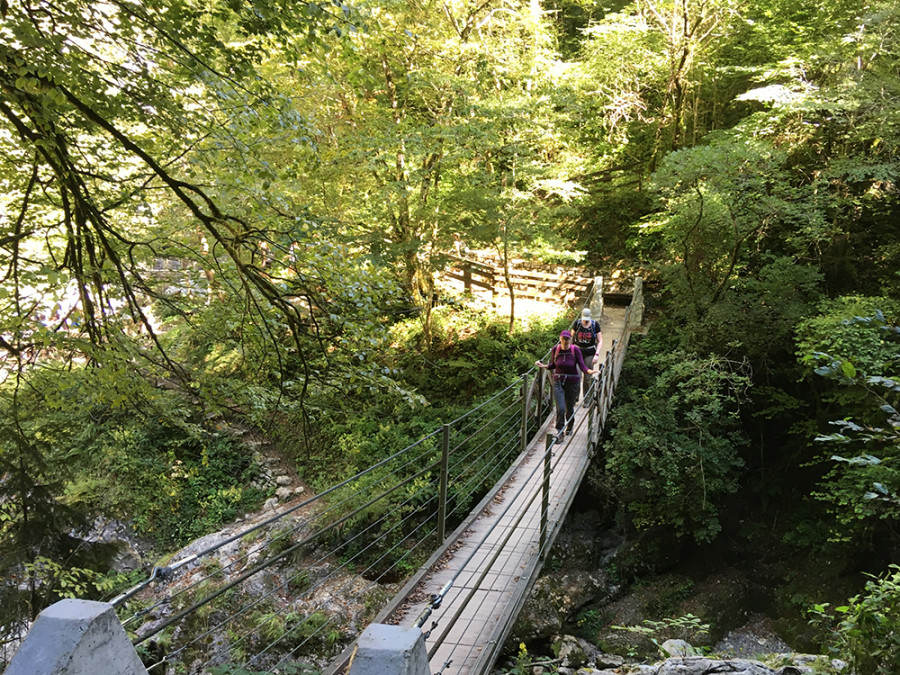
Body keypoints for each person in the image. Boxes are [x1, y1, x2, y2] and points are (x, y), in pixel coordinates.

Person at [535, 330, 596, 441]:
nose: (565, 341)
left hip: (572, 382)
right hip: (558, 382)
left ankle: (570, 425)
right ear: (560, 339)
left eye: (567, 339)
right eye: (563, 338)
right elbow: (553, 365)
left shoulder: (575, 350)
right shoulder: (556, 349)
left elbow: (582, 366)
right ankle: (559, 432)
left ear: (571, 340)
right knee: (561, 409)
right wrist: (543, 366)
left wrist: (589, 371)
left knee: (569, 408)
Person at [571, 308, 602, 405]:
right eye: (584, 319)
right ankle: (575, 397)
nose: (585, 320)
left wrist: (596, 354)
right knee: (577, 376)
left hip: (590, 353)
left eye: (587, 319)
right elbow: (571, 338)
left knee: (588, 377)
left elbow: (600, 340)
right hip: (577, 352)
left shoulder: (594, 325)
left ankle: (587, 399)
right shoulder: (577, 324)